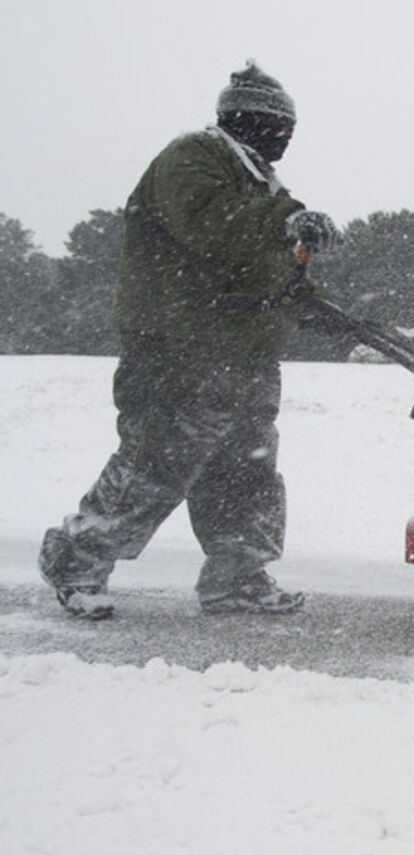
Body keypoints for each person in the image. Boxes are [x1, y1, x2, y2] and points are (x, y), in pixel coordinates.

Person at [38, 61, 340, 619]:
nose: (286, 138)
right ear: (247, 119)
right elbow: (212, 224)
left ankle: (236, 579)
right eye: (280, 126)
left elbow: (260, 264)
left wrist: (308, 297)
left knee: (244, 473)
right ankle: (77, 563)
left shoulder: (259, 181)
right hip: (180, 349)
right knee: (155, 465)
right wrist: (286, 222)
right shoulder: (195, 157)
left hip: (243, 355)